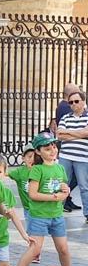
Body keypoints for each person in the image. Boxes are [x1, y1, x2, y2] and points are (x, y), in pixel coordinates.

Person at [8, 133, 82, 266]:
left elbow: (63, 187)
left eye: (54, 147)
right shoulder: (37, 170)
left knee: (63, 248)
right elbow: (33, 194)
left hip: (56, 216)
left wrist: (66, 190)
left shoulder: (60, 167)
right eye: (47, 149)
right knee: (35, 248)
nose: (52, 151)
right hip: (39, 216)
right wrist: (55, 197)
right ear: (38, 152)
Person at [56, 90, 88, 221]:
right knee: (62, 184)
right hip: (65, 157)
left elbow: (86, 133)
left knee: (84, 187)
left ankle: (87, 214)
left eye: (76, 101)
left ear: (83, 102)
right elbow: (59, 135)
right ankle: (56, 211)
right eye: (70, 102)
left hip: (83, 157)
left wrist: (68, 132)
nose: (73, 104)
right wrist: (80, 133)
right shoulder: (65, 117)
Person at [51, 83, 81, 212]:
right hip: (68, 149)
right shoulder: (66, 107)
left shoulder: (62, 106)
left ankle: (67, 200)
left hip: (74, 148)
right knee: (71, 177)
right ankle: (63, 200)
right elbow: (63, 132)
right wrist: (80, 134)